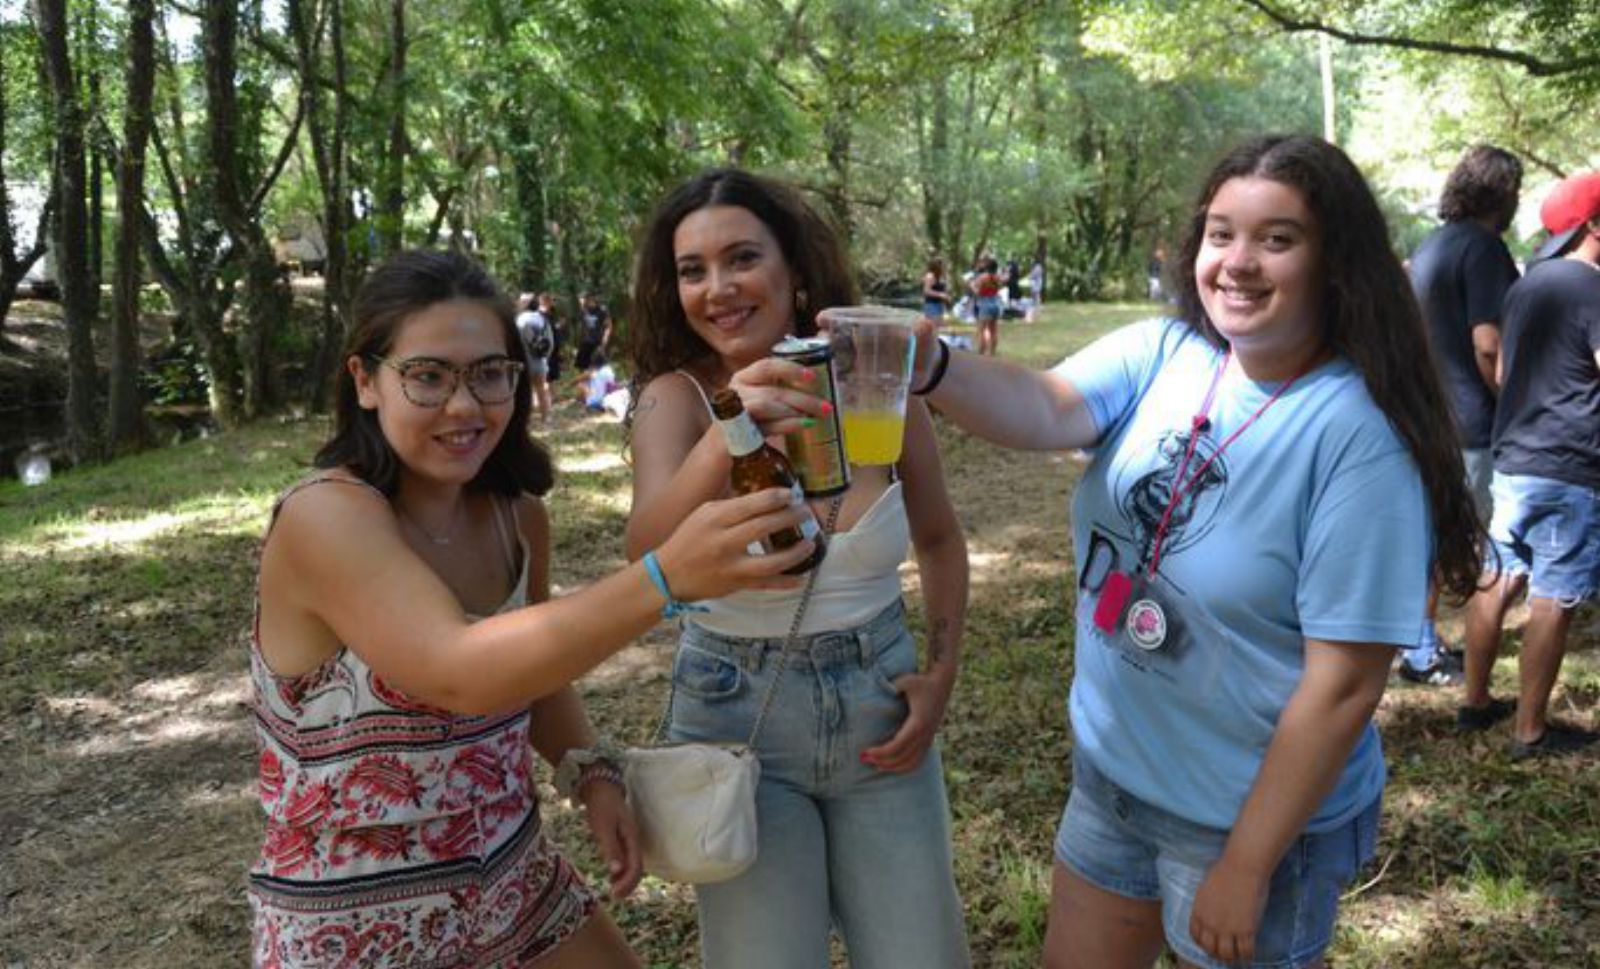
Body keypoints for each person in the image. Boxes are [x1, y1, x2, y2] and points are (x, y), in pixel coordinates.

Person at [907, 135, 1482, 969]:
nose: (1238, 262)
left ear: (1335, 262)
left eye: (1277, 239)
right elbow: (1042, 406)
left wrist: (1247, 862)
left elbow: (1344, 684)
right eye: (1221, 233)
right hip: (1114, 776)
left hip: (1248, 819)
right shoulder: (1168, 352)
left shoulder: (1358, 439)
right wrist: (934, 366)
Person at [247, 249, 818, 969]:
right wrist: (664, 576)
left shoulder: (516, 516)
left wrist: (591, 771)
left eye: (490, 373)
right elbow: (460, 669)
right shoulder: (325, 518)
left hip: (512, 876)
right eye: (427, 376)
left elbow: (535, 667)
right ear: (365, 381)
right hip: (357, 918)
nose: (465, 405)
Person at [623, 168, 972, 969]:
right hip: (735, 715)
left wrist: (943, 668)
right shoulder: (671, 401)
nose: (718, 288)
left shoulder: (875, 381)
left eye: (742, 258)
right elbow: (644, 552)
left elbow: (942, 540)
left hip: (880, 711)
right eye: (691, 270)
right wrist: (729, 429)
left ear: (796, 271)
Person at [1460, 171, 1600, 759]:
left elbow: (1501, 374)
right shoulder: (1591, 287)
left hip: (1516, 456)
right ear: (1594, 227)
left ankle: (1474, 702)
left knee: (1498, 576)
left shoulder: (1527, 286)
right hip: (1571, 463)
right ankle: (1530, 731)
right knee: (1555, 594)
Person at [1404, 144, 1523, 686]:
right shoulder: (1483, 249)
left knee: (1429, 533)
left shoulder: (1432, 246)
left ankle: (1418, 642)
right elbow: (1487, 344)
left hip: (1428, 417)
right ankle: (1425, 653)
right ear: (1502, 193)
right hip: (1473, 423)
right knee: (1470, 537)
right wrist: (1511, 401)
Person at [516, 292, 555, 423]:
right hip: (540, 362)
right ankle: (546, 418)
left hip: (524, 362)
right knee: (542, 390)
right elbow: (550, 342)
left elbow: (515, 342)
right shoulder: (542, 319)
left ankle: (526, 419)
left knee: (525, 392)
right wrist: (545, 358)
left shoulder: (520, 320)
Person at [970, 256, 1003, 356]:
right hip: (996, 303)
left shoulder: (982, 277)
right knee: (994, 331)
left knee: (982, 331)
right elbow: (998, 288)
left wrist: (971, 286)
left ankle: (981, 354)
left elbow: (978, 292)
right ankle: (992, 353)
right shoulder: (998, 277)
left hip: (985, 304)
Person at [575, 291, 614, 373]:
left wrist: (605, 338)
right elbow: (582, 327)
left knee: (601, 367)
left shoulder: (601, 310)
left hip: (598, 342)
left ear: (590, 299)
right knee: (582, 367)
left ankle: (607, 383)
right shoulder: (583, 311)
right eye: (580, 302)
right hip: (585, 343)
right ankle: (587, 384)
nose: (582, 304)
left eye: (583, 302)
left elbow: (608, 326)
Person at [922, 257, 952, 325]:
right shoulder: (930, 276)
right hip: (931, 305)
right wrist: (940, 294)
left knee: (938, 326)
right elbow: (926, 291)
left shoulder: (940, 277)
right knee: (932, 327)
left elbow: (944, 290)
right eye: (942, 265)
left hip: (940, 305)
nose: (943, 267)